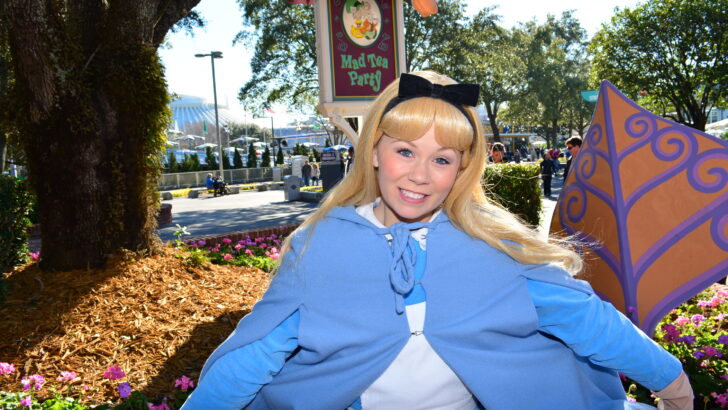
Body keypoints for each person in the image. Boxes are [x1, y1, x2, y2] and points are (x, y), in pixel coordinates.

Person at [182, 71, 692, 410]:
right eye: (405, 151)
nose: (421, 175)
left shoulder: (497, 248)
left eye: (442, 159)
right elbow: (258, 349)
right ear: (375, 152)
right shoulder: (321, 246)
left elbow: (585, 319)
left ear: (463, 169)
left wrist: (671, 382)